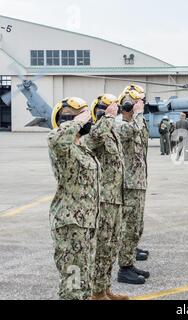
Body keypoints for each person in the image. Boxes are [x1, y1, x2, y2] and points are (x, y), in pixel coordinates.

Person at [48, 97, 99, 300]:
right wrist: (77, 121)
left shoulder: (81, 147)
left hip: (85, 223)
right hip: (70, 224)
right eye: (84, 116)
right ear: (68, 120)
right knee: (73, 283)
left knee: (84, 277)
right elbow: (55, 137)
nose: (89, 120)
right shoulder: (63, 147)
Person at [82, 94, 128, 300]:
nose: (116, 110)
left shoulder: (111, 132)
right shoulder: (96, 130)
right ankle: (96, 292)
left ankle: (105, 288)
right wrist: (107, 117)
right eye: (112, 108)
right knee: (102, 245)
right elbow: (90, 140)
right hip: (104, 199)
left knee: (113, 244)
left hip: (116, 197)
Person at [116, 84, 150, 285]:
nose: (142, 106)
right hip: (128, 184)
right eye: (137, 103)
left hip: (138, 182)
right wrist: (136, 113)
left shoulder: (138, 122)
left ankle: (129, 259)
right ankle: (124, 268)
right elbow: (130, 131)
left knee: (137, 225)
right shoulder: (120, 124)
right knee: (129, 226)